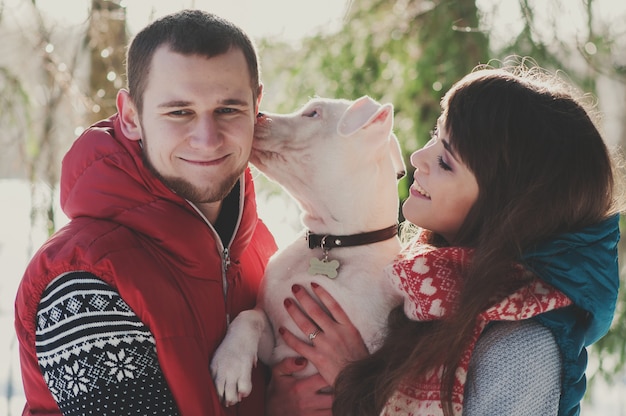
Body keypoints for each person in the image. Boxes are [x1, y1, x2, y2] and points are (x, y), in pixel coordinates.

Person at [267, 63, 623, 415]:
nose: (418, 158)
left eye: (446, 162)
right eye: (434, 137)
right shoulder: (422, 285)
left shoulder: (522, 348)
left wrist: (354, 380)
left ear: (506, 206)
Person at [14, 9, 277, 415]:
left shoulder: (260, 248)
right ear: (131, 117)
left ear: (256, 106)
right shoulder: (83, 283)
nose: (207, 140)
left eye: (228, 109)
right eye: (179, 112)